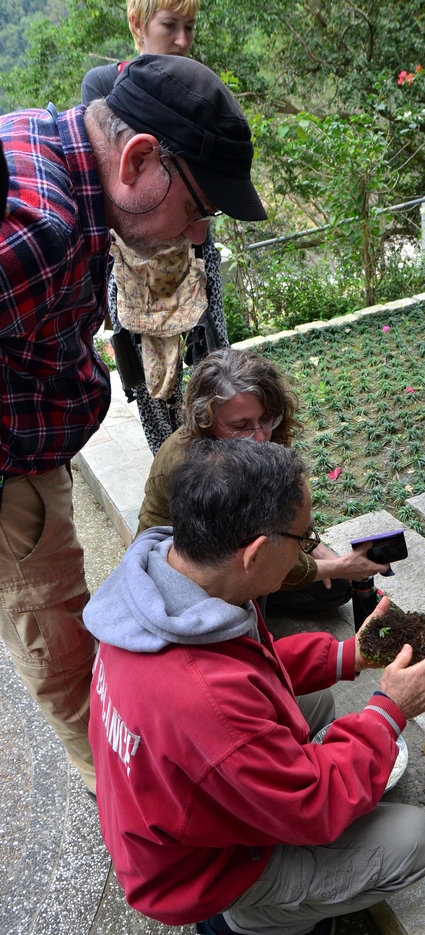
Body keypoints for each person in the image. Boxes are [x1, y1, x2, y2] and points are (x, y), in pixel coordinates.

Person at [84, 437, 425, 935]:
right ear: (257, 552)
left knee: (314, 707)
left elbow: (245, 669)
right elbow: (316, 802)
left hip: (167, 813)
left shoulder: (166, 584)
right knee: (409, 842)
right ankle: (246, 928)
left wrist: (347, 655)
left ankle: (257, 871)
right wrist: (388, 711)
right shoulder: (203, 700)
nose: (312, 551)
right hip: (194, 873)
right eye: (304, 539)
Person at [0, 54, 266, 795]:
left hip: (32, 444)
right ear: (140, 159)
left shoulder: (56, 144)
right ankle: (118, 789)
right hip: (10, 472)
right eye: (199, 206)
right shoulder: (36, 232)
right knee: (53, 633)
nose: (199, 230)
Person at [137, 348, 389, 613]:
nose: (259, 437)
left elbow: (281, 514)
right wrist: (343, 566)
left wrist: (314, 547)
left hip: (245, 551)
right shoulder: (193, 466)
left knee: (335, 589)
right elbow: (252, 558)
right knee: (288, 582)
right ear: (206, 421)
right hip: (197, 570)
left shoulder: (258, 439)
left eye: (266, 419)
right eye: (241, 425)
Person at [82, 0, 227, 456]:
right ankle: (169, 475)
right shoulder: (107, 86)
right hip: (131, 270)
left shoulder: (199, 90)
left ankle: (222, 466)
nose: (182, 40)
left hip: (193, 261)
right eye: (170, 25)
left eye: (190, 27)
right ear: (138, 26)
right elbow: (117, 187)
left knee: (213, 365)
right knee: (148, 385)